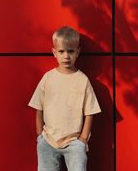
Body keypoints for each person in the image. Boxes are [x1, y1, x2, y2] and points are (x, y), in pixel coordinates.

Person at [28, 26, 101, 171]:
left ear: (78, 52)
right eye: (61, 51)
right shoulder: (48, 78)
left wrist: (83, 139)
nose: (66, 56)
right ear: (54, 52)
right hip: (48, 140)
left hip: (74, 142)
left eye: (71, 51)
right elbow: (39, 108)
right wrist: (40, 137)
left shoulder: (82, 80)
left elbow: (90, 111)